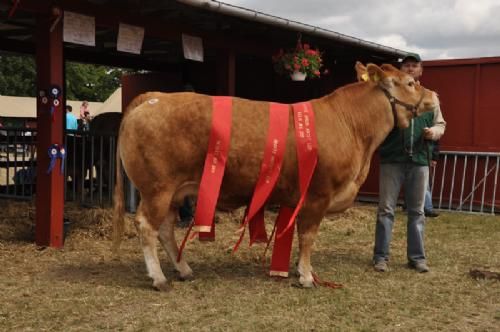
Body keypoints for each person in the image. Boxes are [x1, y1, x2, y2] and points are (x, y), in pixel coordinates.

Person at [373, 53, 446, 273]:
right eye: (407, 66)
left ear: (421, 71)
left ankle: (417, 258)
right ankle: (381, 257)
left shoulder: (431, 97)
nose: (411, 69)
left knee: (417, 211)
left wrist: (433, 132)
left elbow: (441, 124)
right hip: (392, 160)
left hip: (420, 161)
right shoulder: (389, 95)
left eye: (415, 66)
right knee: (386, 210)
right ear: (401, 70)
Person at [424, 141, 440, 217]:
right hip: (422, 157)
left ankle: (428, 208)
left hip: (423, 158)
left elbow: (435, 142)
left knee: (424, 185)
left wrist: (434, 157)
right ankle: (428, 208)